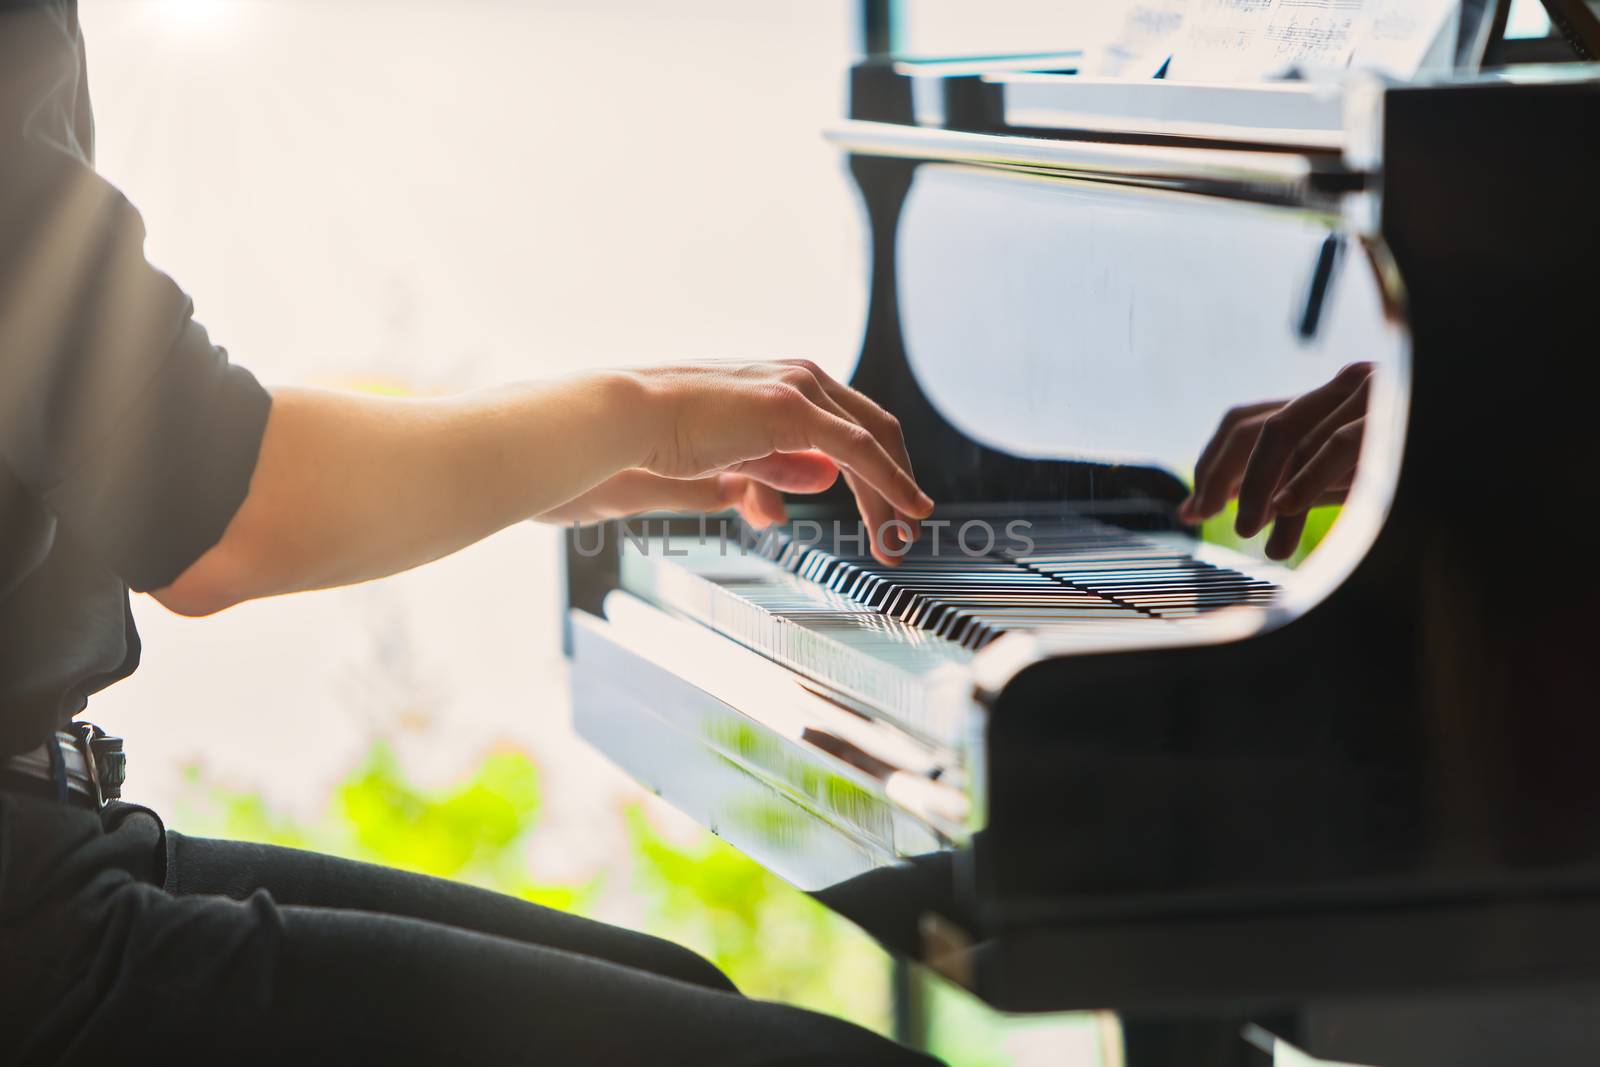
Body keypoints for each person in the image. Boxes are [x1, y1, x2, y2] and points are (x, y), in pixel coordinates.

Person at [0, 3, 939, 1063]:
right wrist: (642, 413)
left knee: (676, 986)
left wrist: (557, 456)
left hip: (54, 852)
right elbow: (215, 516)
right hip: (33, 948)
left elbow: (135, 435)